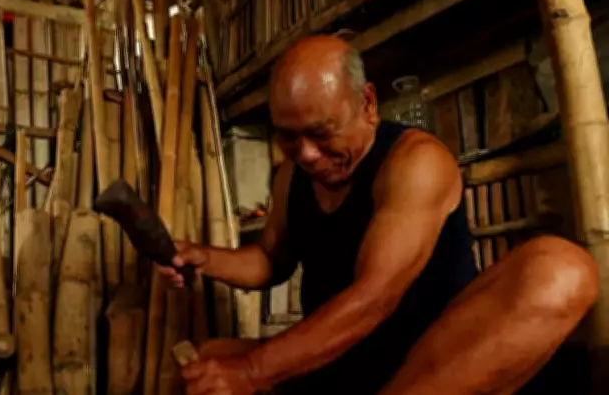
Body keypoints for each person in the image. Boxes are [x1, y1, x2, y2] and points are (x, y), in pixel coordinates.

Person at [157, 35, 600, 395]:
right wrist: (204, 258)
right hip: (346, 359)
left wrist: (254, 371)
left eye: (321, 133)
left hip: (434, 365)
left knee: (561, 270)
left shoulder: (415, 162)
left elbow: (373, 299)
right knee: (209, 359)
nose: (306, 153)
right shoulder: (291, 176)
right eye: (288, 137)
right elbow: (271, 260)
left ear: (368, 104)